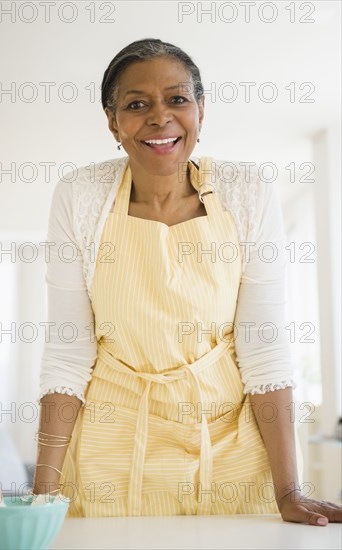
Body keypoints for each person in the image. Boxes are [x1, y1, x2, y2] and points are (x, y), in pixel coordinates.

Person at [32, 38, 342, 524]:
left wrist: (289, 492)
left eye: (177, 99)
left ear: (201, 108)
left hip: (230, 449)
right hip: (108, 452)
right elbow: (68, 352)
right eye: (137, 104)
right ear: (113, 122)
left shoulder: (248, 192)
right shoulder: (80, 196)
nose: (160, 117)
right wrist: (41, 500)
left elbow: (262, 348)